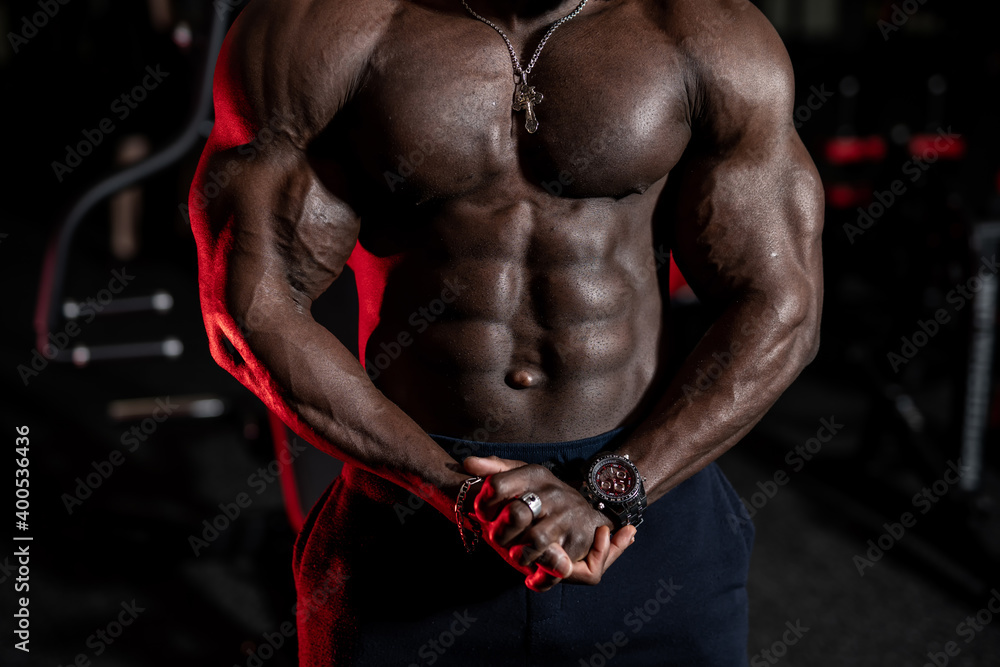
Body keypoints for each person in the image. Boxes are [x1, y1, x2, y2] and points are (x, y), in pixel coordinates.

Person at [189, 0, 823, 664]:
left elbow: (783, 305)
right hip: (414, 511)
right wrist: (452, 488)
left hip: (646, 508)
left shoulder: (705, 32)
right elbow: (251, 308)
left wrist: (619, 483)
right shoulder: (323, 27)